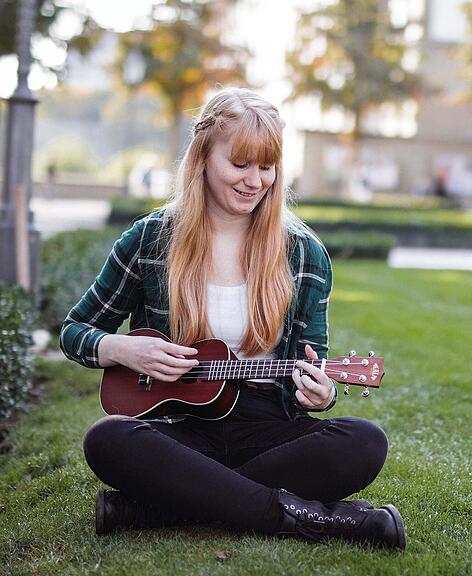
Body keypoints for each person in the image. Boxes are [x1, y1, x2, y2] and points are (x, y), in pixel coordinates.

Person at [60, 87, 405, 549]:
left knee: (364, 441)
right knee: (107, 438)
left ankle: (155, 507)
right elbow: (74, 331)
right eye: (240, 164)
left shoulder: (304, 253)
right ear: (203, 158)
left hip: (268, 428)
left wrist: (320, 395)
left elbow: (311, 366)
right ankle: (316, 519)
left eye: (267, 166)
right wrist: (121, 348)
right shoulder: (149, 240)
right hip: (179, 431)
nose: (254, 181)